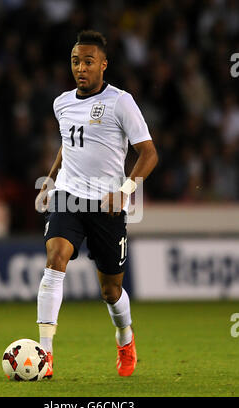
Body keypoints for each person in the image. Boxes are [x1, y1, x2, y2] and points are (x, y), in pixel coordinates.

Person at [35, 30, 158, 378]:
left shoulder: (122, 102)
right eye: (76, 61)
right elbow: (68, 144)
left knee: (110, 290)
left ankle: (125, 337)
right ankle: (45, 355)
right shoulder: (62, 102)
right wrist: (51, 178)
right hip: (68, 197)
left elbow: (149, 153)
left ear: (103, 65)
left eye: (88, 61)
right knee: (55, 257)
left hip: (106, 204)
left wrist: (126, 189)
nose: (81, 68)